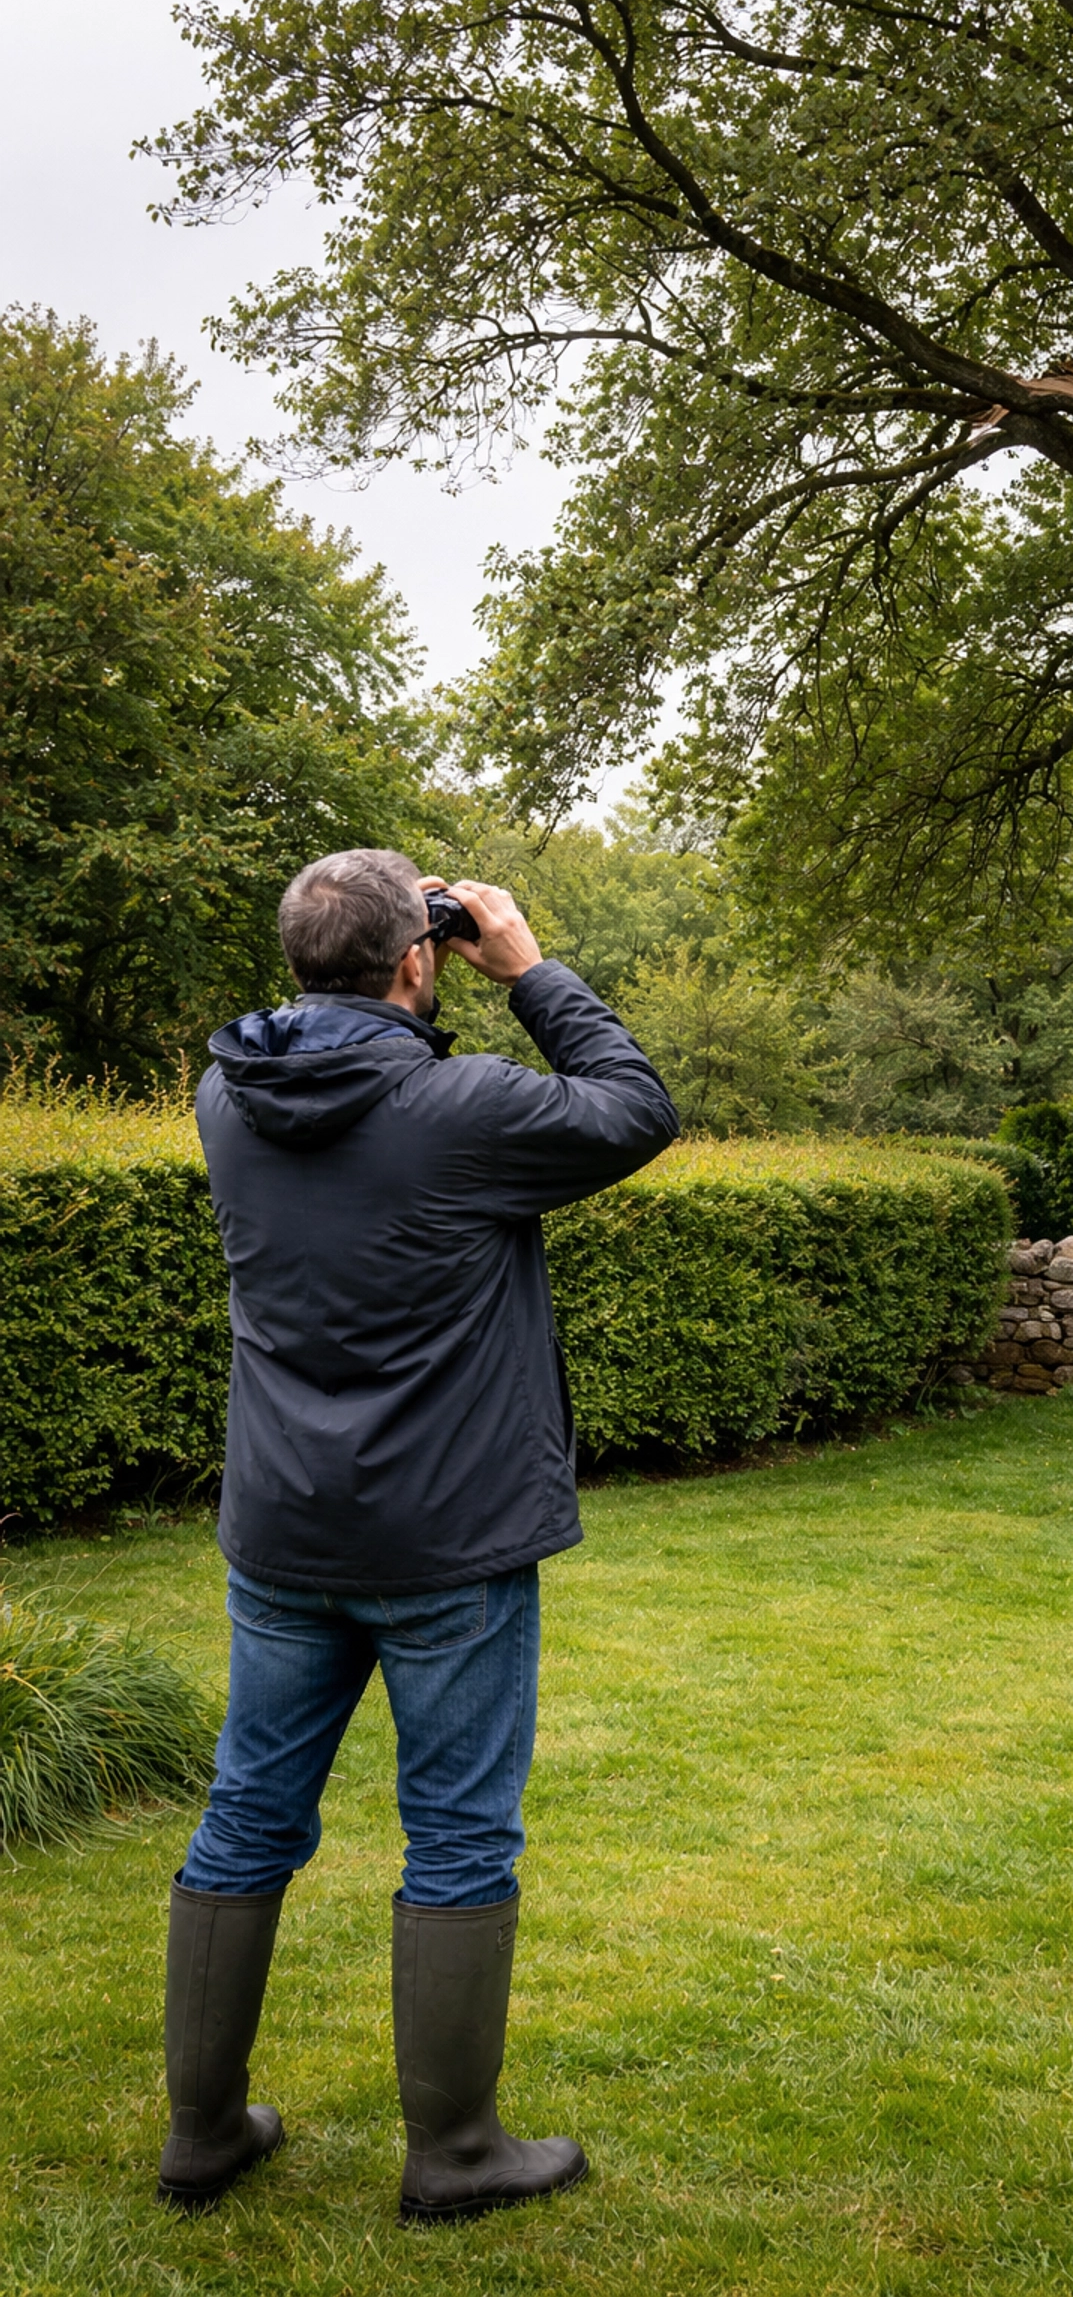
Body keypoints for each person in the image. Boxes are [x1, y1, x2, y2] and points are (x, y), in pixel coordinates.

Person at [157, 848, 678, 2223]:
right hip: (448, 1540)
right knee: (455, 1838)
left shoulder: (227, 1093)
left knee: (247, 1818)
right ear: (416, 962)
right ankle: (453, 2155)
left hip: (284, 1531)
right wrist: (524, 964)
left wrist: (425, 957)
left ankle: (202, 2135)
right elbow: (632, 1110)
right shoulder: (459, 1106)